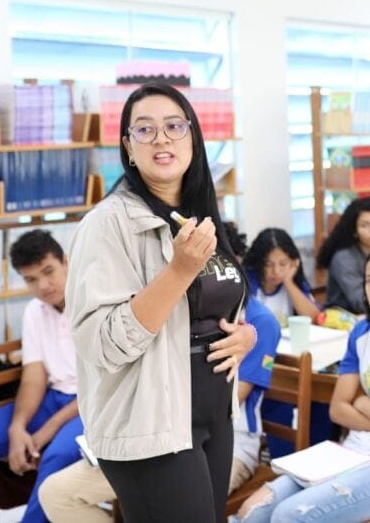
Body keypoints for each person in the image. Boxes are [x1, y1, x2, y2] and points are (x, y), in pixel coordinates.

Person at [66, 82, 256, 522]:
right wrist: (178, 271)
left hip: (213, 416)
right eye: (145, 130)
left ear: (193, 138)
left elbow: (220, 306)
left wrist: (244, 335)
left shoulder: (201, 213)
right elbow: (101, 343)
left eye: (174, 126)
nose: (162, 139)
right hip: (149, 427)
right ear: (128, 148)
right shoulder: (106, 224)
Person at [39, 223, 281, 523]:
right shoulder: (169, 304)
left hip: (226, 442)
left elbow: (227, 396)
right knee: (55, 493)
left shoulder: (260, 322)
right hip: (153, 428)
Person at [235, 243, 370, 522]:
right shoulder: (361, 332)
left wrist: (363, 404)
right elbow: (338, 410)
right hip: (354, 452)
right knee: (252, 512)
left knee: (291, 516)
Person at [0, 230, 82, 523]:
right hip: (53, 398)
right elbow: (33, 377)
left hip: (94, 405)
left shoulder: (92, 300)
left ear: (66, 262)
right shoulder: (34, 311)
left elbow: (105, 386)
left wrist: (49, 429)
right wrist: (17, 429)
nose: (43, 286)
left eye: (48, 272)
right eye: (31, 279)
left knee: (56, 457)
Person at [243, 228, 319, 326]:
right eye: (268, 264)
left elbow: (314, 318)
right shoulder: (248, 282)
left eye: (283, 264)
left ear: (293, 262)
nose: (276, 271)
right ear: (259, 263)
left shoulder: (295, 282)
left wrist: (288, 282)